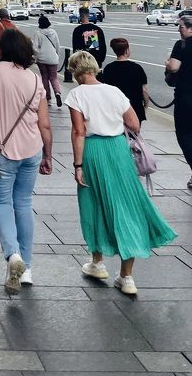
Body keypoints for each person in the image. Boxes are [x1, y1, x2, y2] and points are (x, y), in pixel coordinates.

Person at [66, 51, 176, 296]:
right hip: (118, 150)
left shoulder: (76, 95)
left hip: (93, 152)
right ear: (95, 68)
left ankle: (97, 263)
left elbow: (78, 132)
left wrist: (78, 165)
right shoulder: (114, 91)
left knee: (93, 205)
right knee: (127, 205)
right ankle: (127, 277)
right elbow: (134, 125)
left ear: (75, 71)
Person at [0, 28, 53, 293]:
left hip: (1, 149)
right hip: (32, 150)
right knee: (24, 203)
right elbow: (44, 123)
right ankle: (27, 268)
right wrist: (48, 155)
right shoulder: (34, 79)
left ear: (1, 48)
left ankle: (12, 255)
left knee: (2, 202)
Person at [165, 16, 192, 188]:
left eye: (181, 27)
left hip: (186, 98)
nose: (178, 30)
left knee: (184, 135)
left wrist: (167, 63)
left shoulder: (181, 45)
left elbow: (174, 67)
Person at [100, 38, 148, 125]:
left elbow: (105, 89)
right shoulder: (137, 68)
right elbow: (144, 90)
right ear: (126, 51)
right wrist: (146, 105)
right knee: (134, 135)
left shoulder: (109, 68)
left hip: (115, 108)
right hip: (134, 107)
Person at [32, 15, 62, 107]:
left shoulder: (38, 33)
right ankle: (57, 93)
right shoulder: (53, 32)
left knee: (44, 77)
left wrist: (37, 56)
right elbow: (57, 45)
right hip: (53, 58)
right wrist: (57, 55)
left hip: (42, 59)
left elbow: (35, 47)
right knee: (54, 77)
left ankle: (48, 98)